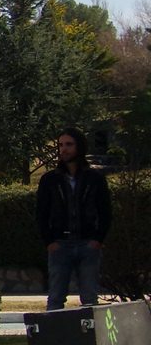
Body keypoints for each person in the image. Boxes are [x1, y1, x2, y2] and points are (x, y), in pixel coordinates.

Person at [36, 126, 111, 311]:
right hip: (60, 244)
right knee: (55, 298)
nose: (64, 149)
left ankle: (90, 339)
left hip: (88, 244)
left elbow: (105, 211)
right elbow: (41, 213)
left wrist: (98, 240)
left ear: (79, 147)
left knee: (89, 299)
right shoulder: (50, 179)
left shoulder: (95, 178)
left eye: (69, 144)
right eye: (61, 145)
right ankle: (53, 338)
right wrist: (49, 242)